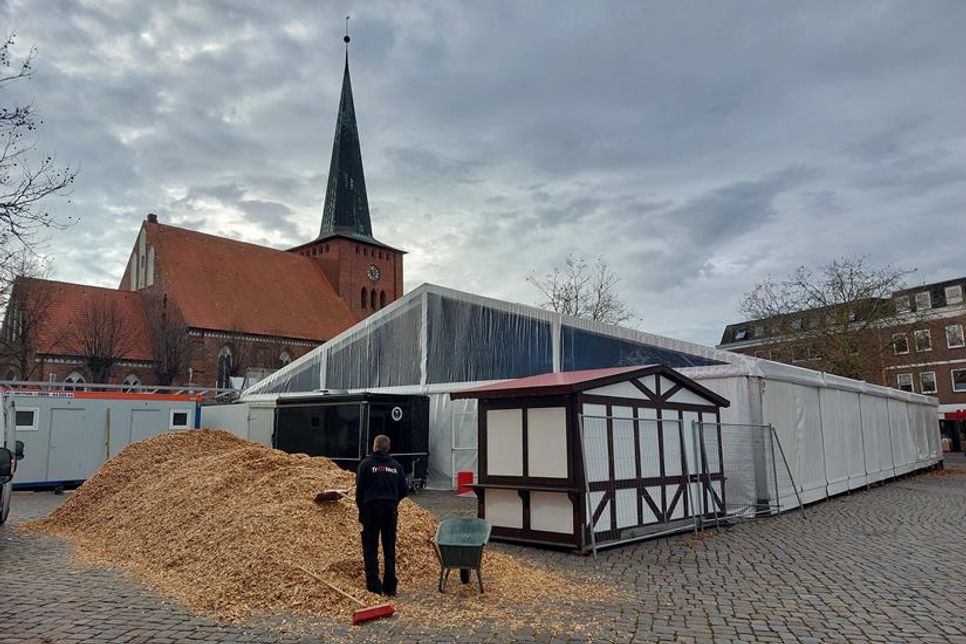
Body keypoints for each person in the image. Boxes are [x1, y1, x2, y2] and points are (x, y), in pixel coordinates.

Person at [355, 434, 408, 596]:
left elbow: (359, 491)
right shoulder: (396, 466)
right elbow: (404, 490)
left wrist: (361, 510)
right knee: (389, 548)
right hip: (390, 511)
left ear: (374, 446)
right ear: (388, 448)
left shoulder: (365, 465)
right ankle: (390, 587)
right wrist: (393, 501)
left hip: (371, 509)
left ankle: (374, 586)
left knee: (370, 548)